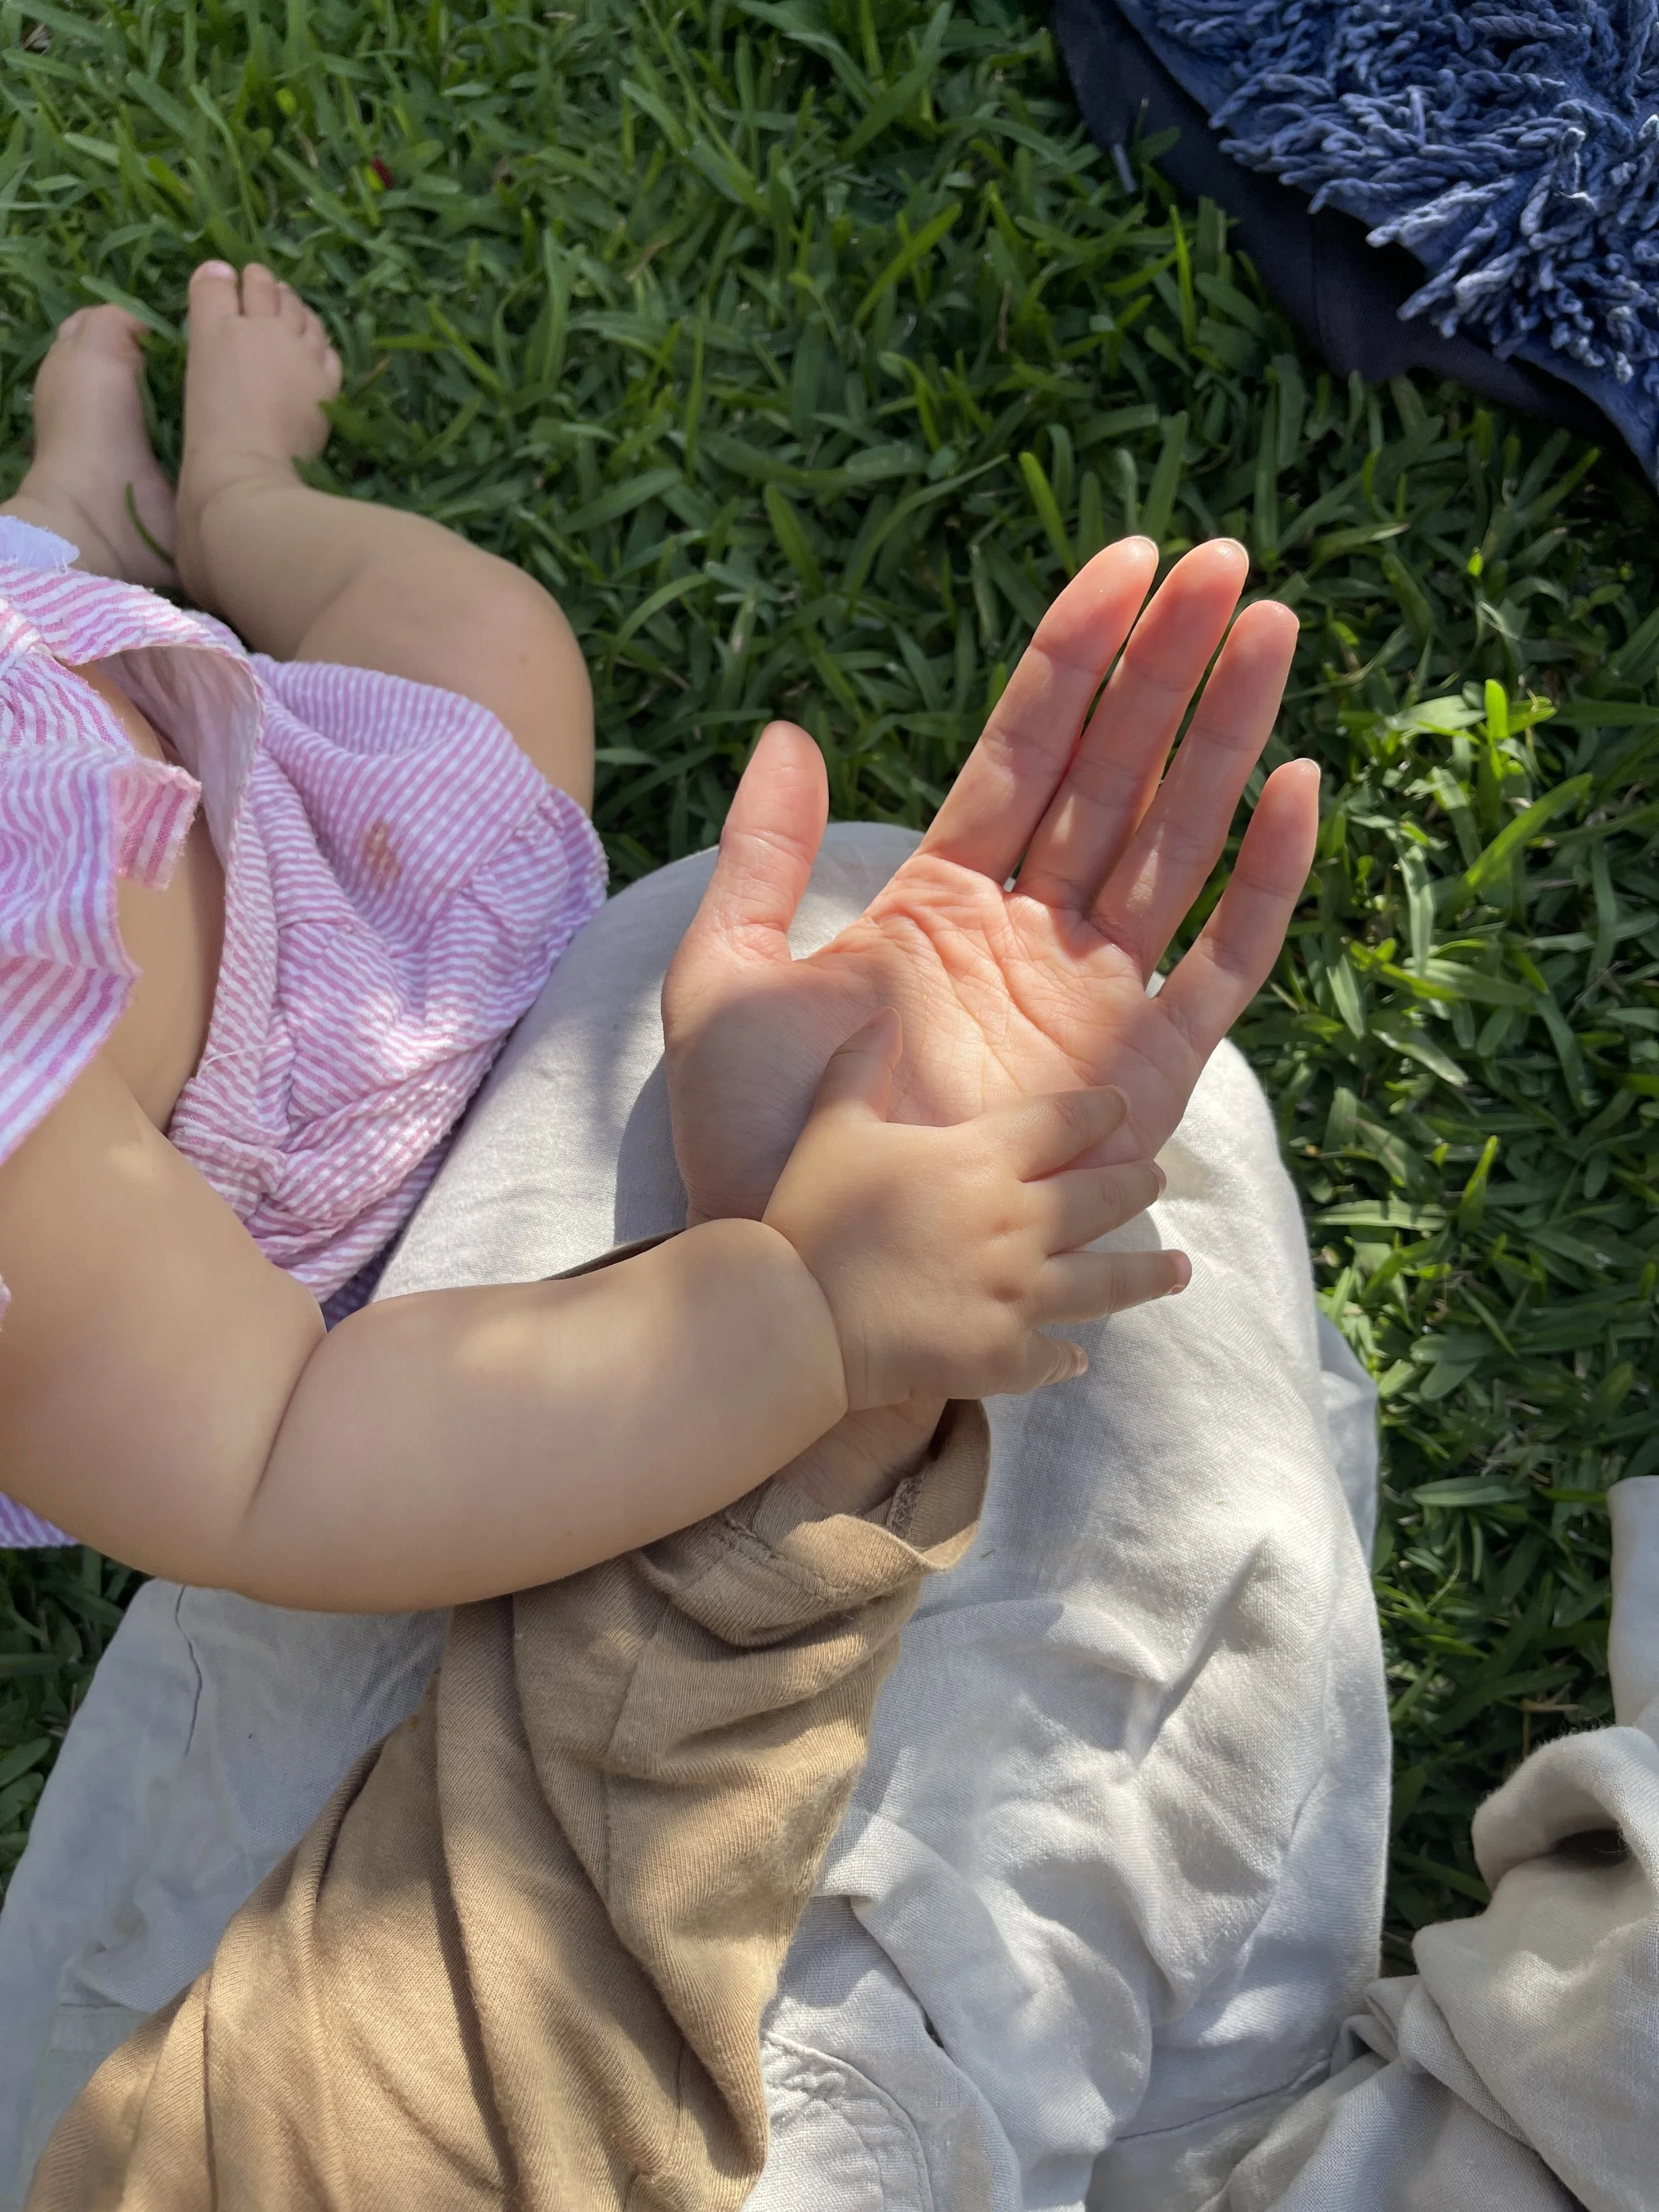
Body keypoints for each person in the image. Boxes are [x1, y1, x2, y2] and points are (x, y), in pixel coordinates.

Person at [0, 265, 1249, 1613]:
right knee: (498, 648)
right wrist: (806, 1314)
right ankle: (212, 497)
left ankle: (126, 514)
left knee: (464, 629)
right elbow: (272, 1453)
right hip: (297, 1145)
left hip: (233, 777)